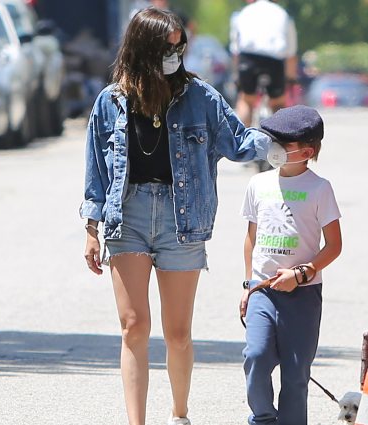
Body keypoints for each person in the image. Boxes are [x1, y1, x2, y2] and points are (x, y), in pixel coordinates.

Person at [80, 7, 270, 425]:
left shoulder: (200, 97)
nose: (178, 53)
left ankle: (179, 414)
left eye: (181, 46)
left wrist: (285, 141)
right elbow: (96, 171)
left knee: (178, 333)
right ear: (144, 48)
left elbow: (239, 141)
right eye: (169, 47)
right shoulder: (109, 102)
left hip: (181, 220)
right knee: (133, 326)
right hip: (126, 215)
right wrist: (92, 230)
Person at [238, 105, 342, 425]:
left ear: (307, 151)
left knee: (296, 374)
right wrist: (248, 286)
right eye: (272, 142)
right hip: (263, 291)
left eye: (283, 144)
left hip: (303, 296)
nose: (274, 149)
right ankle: (264, 418)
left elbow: (334, 245)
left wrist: (302, 273)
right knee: (255, 356)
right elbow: (251, 239)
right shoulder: (258, 184)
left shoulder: (320, 189)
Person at [229, 0, 298, 126]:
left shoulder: (243, 13)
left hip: (248, 59)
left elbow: (235, 51)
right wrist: (291, 79)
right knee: (278, 103)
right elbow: (291, 54)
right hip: (274, 61)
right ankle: (282, 140)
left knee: (246, 101)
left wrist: (236, 76)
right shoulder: (283, 14)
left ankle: (241, 139)